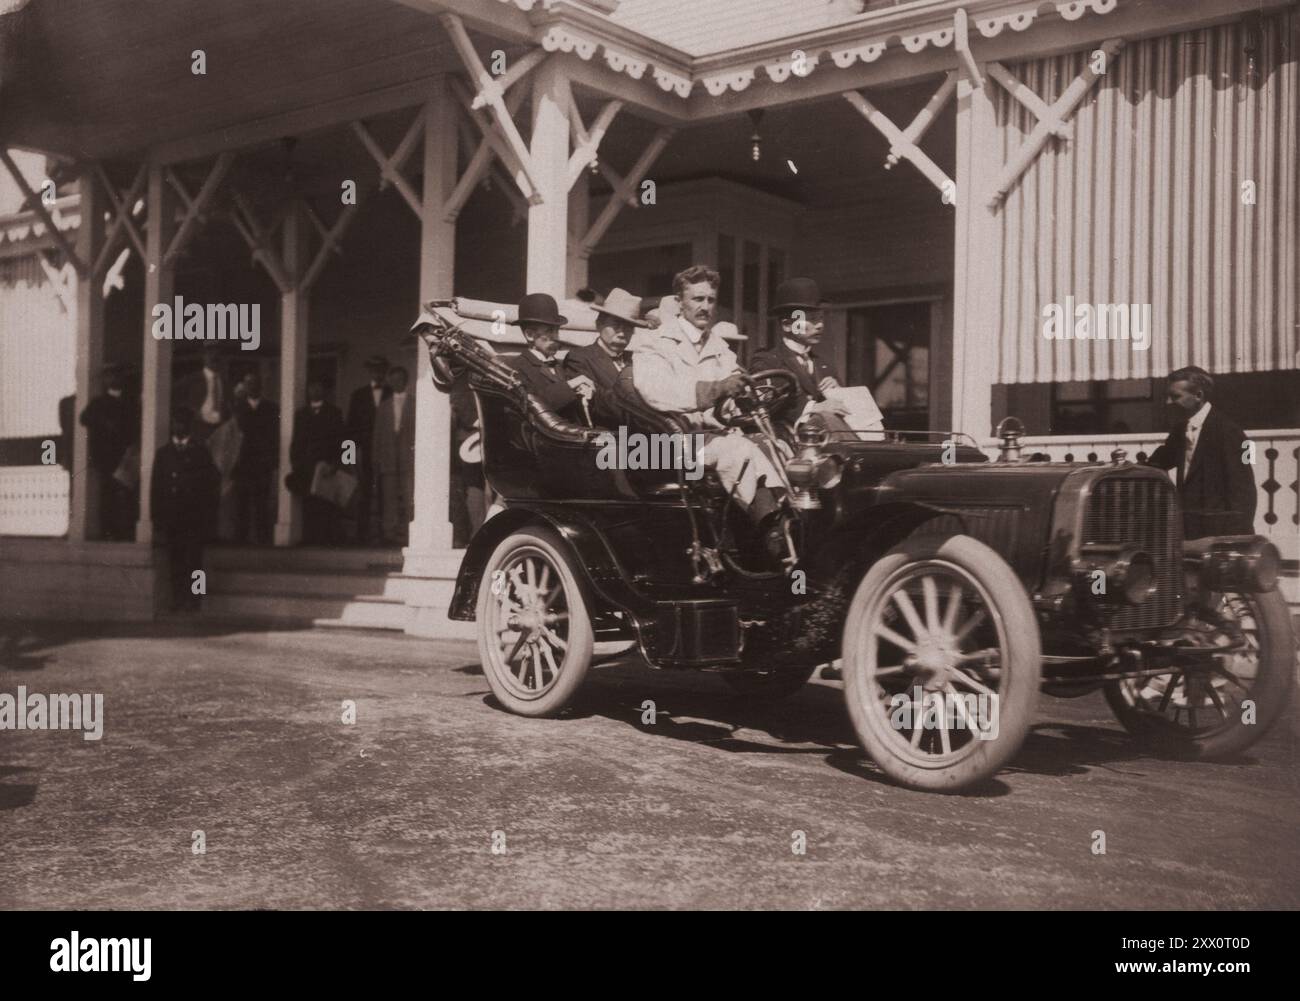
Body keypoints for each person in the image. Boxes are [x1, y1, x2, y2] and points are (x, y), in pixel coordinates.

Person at [631, 264, 792, 561]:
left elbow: (733, 389)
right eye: (697, 299)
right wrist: (717, 389)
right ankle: (773, 531)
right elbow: (656, 392)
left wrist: (742, 397)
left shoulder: (719, 346)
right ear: (680, 302)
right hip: (665, 444)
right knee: (737, 451)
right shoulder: (654, 343)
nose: (705, 307)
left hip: (710, 438)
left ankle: (787, 524)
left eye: (710, 300)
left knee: (778, 445)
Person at [749, 276, 884, 438]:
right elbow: (766, 405)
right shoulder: (768, 360)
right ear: (787, 325)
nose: (820, 325)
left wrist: (838, 391)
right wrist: (813, 408)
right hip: (790, 442)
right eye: (812, 319)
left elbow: (840, 409)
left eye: (821, 318)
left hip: (828, 441)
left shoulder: (823, 364)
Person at [1146, 365, 1257, 539]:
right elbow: (1159, 461)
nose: (1168, 402)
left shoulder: (1231, 432)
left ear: (1198, 396)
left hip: (1218, 536)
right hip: (1188, 532)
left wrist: (1236, 542)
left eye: (1175, 396)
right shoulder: (1180, 429)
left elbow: (1244, 493)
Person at [150, 407, 219, 613]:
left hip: (194, 517)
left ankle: (196, 599)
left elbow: (210, 487)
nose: (178, 426)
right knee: (175, 561)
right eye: (175, 422)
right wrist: (157, 519)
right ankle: (178, 599)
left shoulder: (200, 452)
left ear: (189, 426)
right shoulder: (163, 454)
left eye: (182, 422)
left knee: (196, 561)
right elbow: (156, 488)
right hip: (173, 517)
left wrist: (208, 518)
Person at [506, 292, 595, 424]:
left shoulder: (559, 365)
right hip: (540, 440)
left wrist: (583, 393)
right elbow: (531, 406)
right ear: (530, 335)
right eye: (550, 331)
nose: (557, 337)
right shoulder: (517, 368)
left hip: (569, 434)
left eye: (557, 330)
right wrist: (570, 386)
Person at [563, 286, 647, 424]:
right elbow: (595, 404)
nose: (622, 332)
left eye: (628, 327)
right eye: (616, 325)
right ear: (599, 324)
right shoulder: (579, 358)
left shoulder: (637, 360)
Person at [79, 363, 139, 540]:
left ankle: (126, 531)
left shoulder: (130, 401)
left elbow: (135, 425)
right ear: (105, 380)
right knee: (108, 493)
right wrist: (105, 422)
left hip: (126, 455)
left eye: (117, 375)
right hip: (106, 456)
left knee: (127, 493)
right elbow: (84, 418)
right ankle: (108, 530)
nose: (114, 379)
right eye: (110, 376)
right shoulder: (98, 402)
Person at [289, 380, 347, 544]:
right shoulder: (301, 414)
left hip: (327, 466)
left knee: (327, 502)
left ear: (324, 389)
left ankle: (327, 539)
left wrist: (338, 464)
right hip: (307, 466)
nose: (315, 390)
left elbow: (343, 440)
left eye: (318, 386)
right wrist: (296, 463)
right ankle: (310, 538)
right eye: (312, 386)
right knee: (309, 503)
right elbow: (296, 442)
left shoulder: (334, 412)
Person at [231, 370, 279, 544]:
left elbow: (275, 436)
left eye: (255, 383)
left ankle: (263, 541)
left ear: (261, 386)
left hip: (262, 463)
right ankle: (240, 541)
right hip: (242, 463)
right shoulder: (237, 408)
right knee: (241, 504)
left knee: (261, 503)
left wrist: (272, 460)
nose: (252, 386)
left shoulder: (272, 408)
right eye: (248, 383)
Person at [346, 354, 391, 543]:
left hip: (386, 451)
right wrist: (347, 459)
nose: (377, 372)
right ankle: (362, 534)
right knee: (364, 492)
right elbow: (350, 428)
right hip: (363, 452)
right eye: (374, 369)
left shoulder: (392, 392)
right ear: (369, 372)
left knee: (384, 492)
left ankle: (383, 534)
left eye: (380, 369)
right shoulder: (358, 395)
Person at [372, 365, 416, 546]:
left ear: (405, 381)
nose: (396, 382)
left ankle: (408, 532)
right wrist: (375, 458)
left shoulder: (415, 403)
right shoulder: (384, 406)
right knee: (388, 497)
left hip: (408, 457)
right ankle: (389, 533)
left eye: (400, 379)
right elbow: (377, 434)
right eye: (393, 380)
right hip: (389, 458)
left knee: (408, 496)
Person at [174, 344, 229, 442]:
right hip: (199, 428)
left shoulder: (224, 382)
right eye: (210, 353)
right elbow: (176, 399)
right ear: (203, 356)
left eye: (217, 354)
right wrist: (192, 413)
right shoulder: (192, 379)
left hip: (220, 430)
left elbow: (228, 405)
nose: (214, 356)